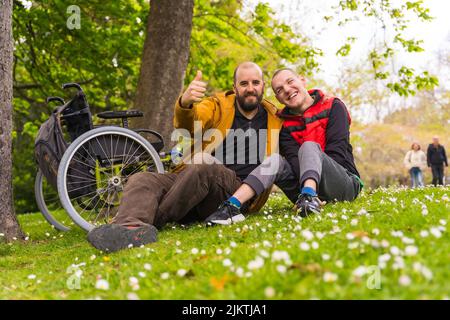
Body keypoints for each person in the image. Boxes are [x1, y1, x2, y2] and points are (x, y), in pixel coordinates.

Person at [86, 62, 282, 252]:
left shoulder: (275, 118)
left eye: (255, 83)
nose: (250, 88)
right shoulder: (219, 105)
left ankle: (153, 221)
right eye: (244, 83)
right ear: (234, 87)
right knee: (143, 179)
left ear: (263, 86)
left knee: (205, 164)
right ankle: (128, 228)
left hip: (233, 193)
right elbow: (191, 123)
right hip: (193, 179)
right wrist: (186, 103)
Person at [205, 68, 362, 223]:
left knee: (308, 146)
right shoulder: (283, 125)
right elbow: (294, 163)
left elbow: (338, 154)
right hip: (302, 189)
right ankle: (231, 207)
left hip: (343, 183)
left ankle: (310, 196)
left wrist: (314, 168)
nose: (287, 90)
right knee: (275, 160)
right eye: (280, 90)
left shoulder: (333, 106)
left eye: (290, 81)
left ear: (302, 80)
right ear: (278, 98)